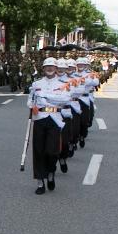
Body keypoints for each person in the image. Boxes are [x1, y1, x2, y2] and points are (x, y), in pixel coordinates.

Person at [28, 57, 69, 194]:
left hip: (55, 119)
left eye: (52, 66)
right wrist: (32, 106)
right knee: (38, 151)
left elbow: (65, 98)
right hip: (40, 118)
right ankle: (40, 182)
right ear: (43, 68)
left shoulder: (63, 83)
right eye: (47, 66)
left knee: (52, 151)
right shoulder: (36, 83)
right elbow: (30, 99)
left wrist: (45, 96)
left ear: (56, 69)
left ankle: (51, 171)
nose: (49, 68)